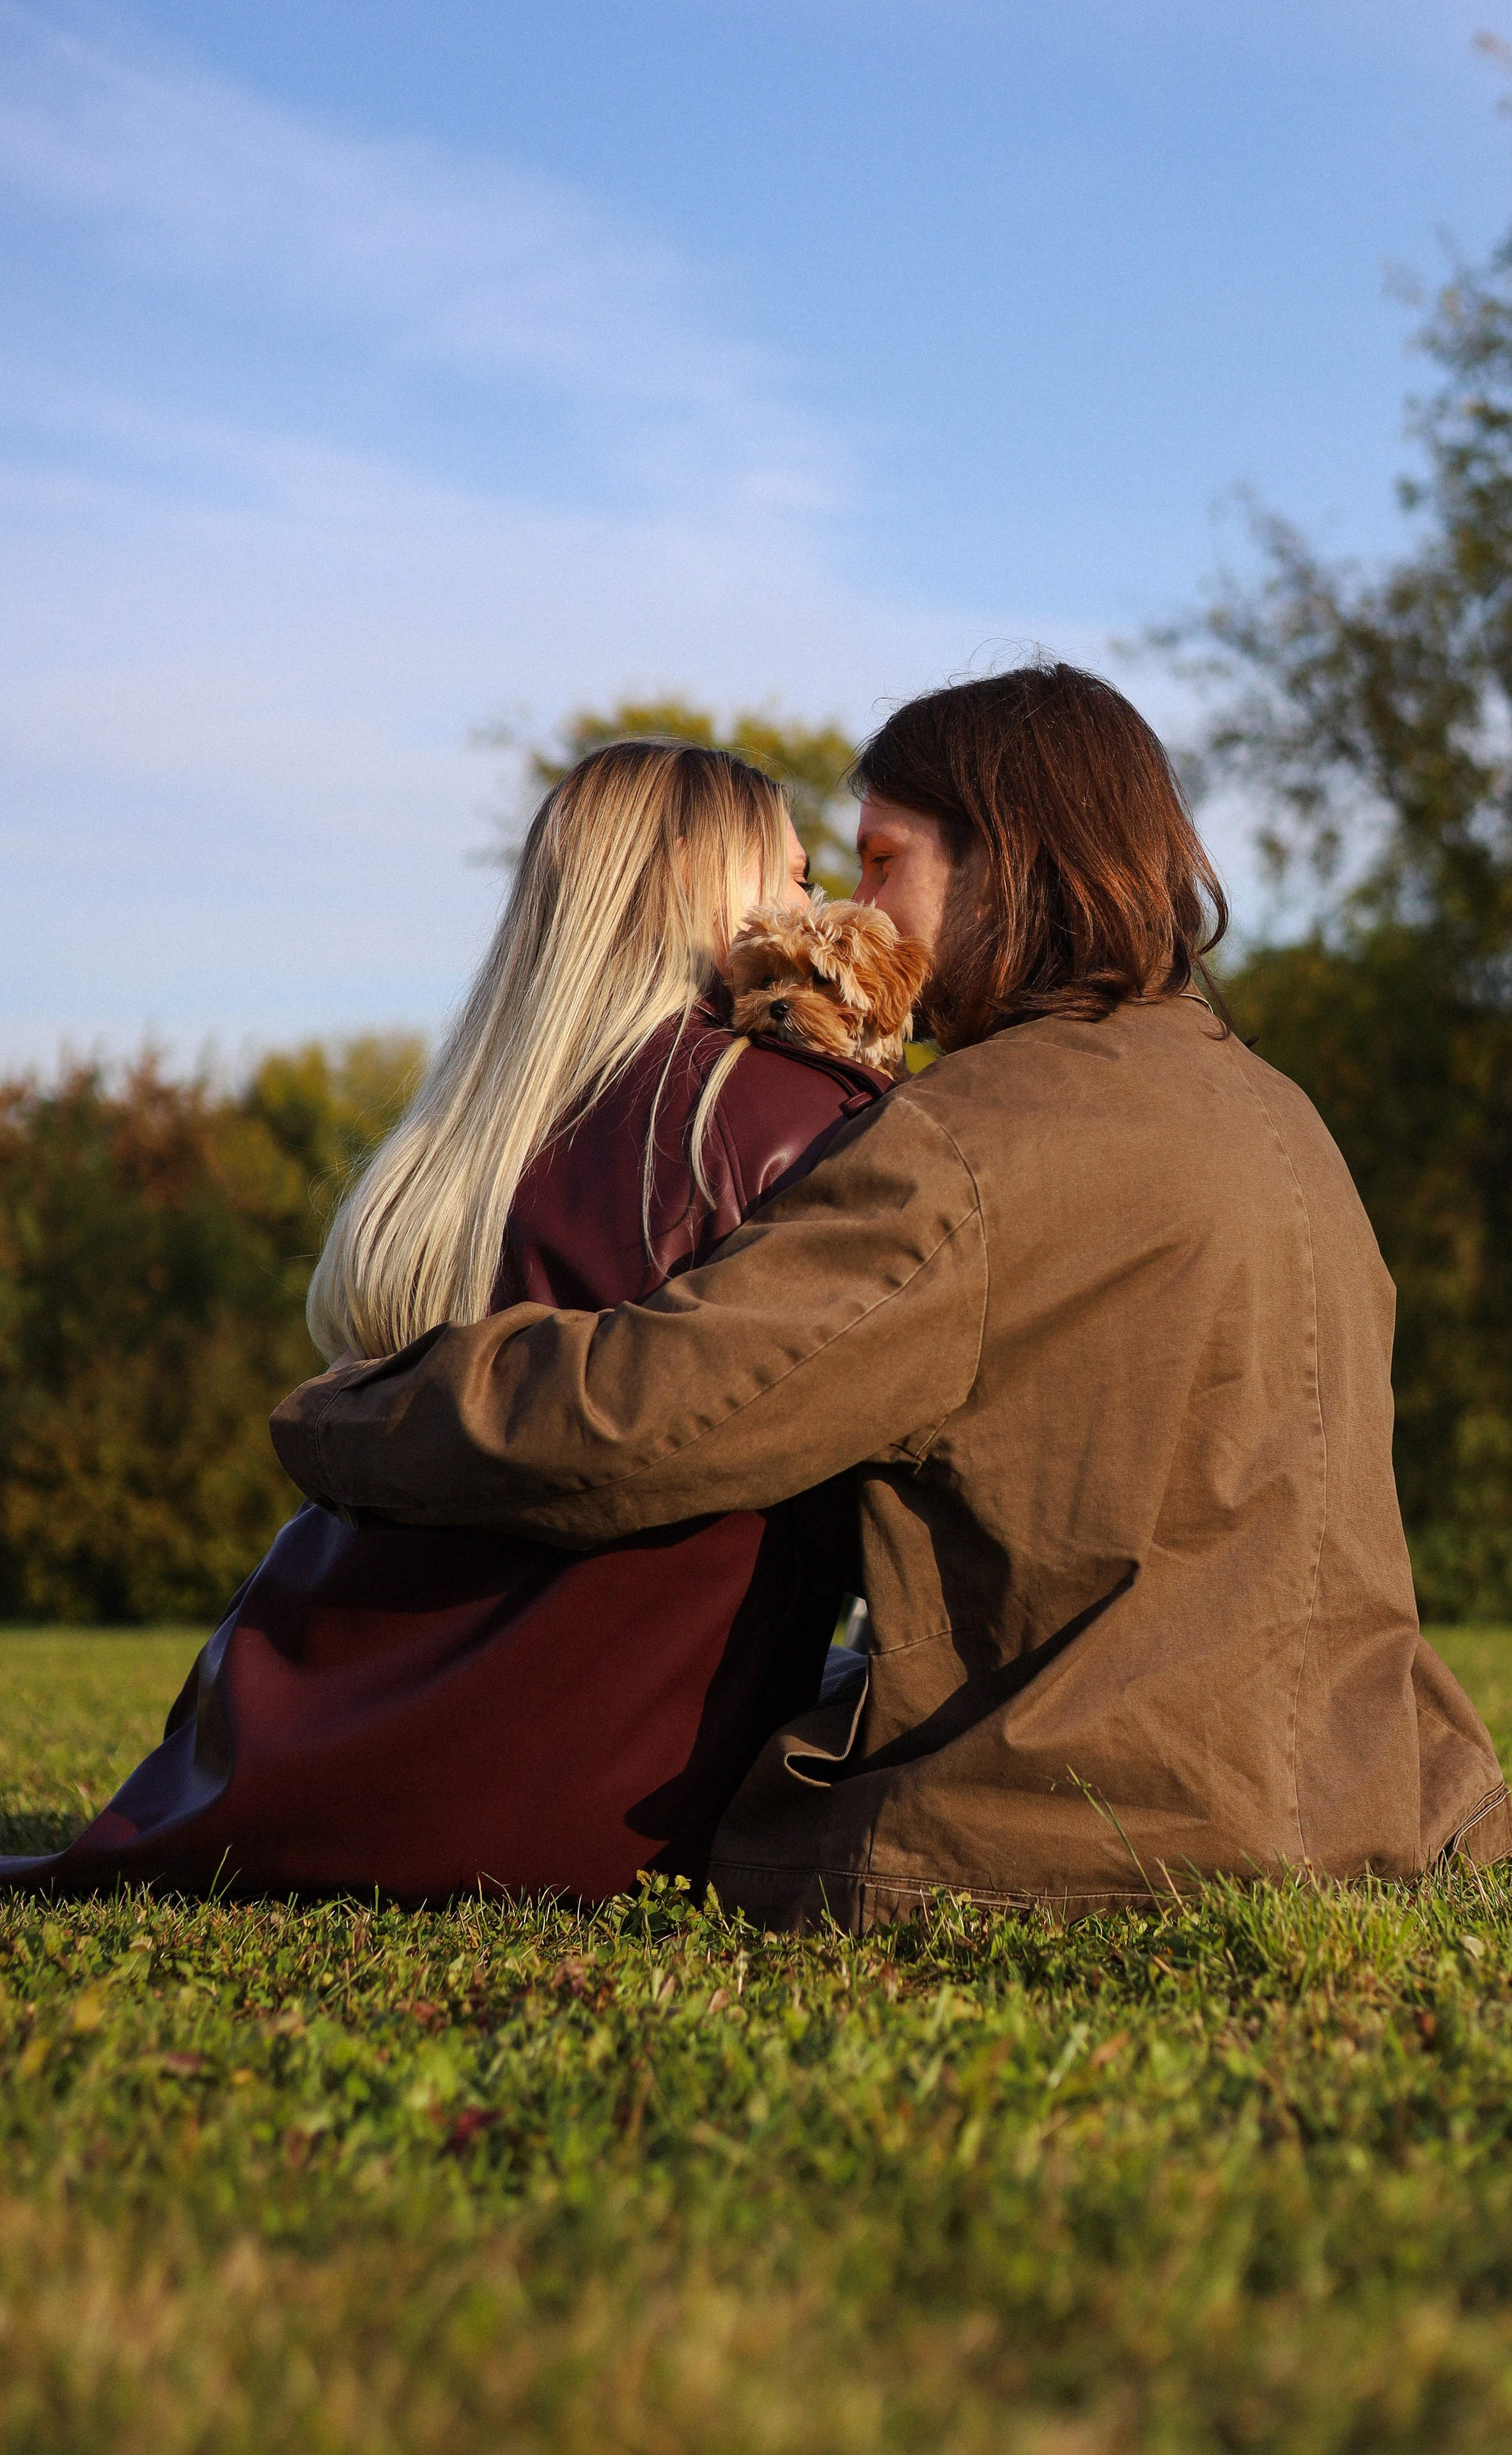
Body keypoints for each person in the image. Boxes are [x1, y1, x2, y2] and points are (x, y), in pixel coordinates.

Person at [272, 662, 1512, 1931]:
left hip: (1079, 1826)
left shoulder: (965, 1142)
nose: (850, 913)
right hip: (1383, 1803)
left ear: (1009, 862)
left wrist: (354, 1416)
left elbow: (646, 1421)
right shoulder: (1275, 1111)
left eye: (879, 862)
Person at [2, 742, 889, 1900]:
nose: (819, 908)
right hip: (607, 1804)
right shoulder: (797, 1112)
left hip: (287, 1760)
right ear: (703, 884)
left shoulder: (465, 1132)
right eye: (797, 873)